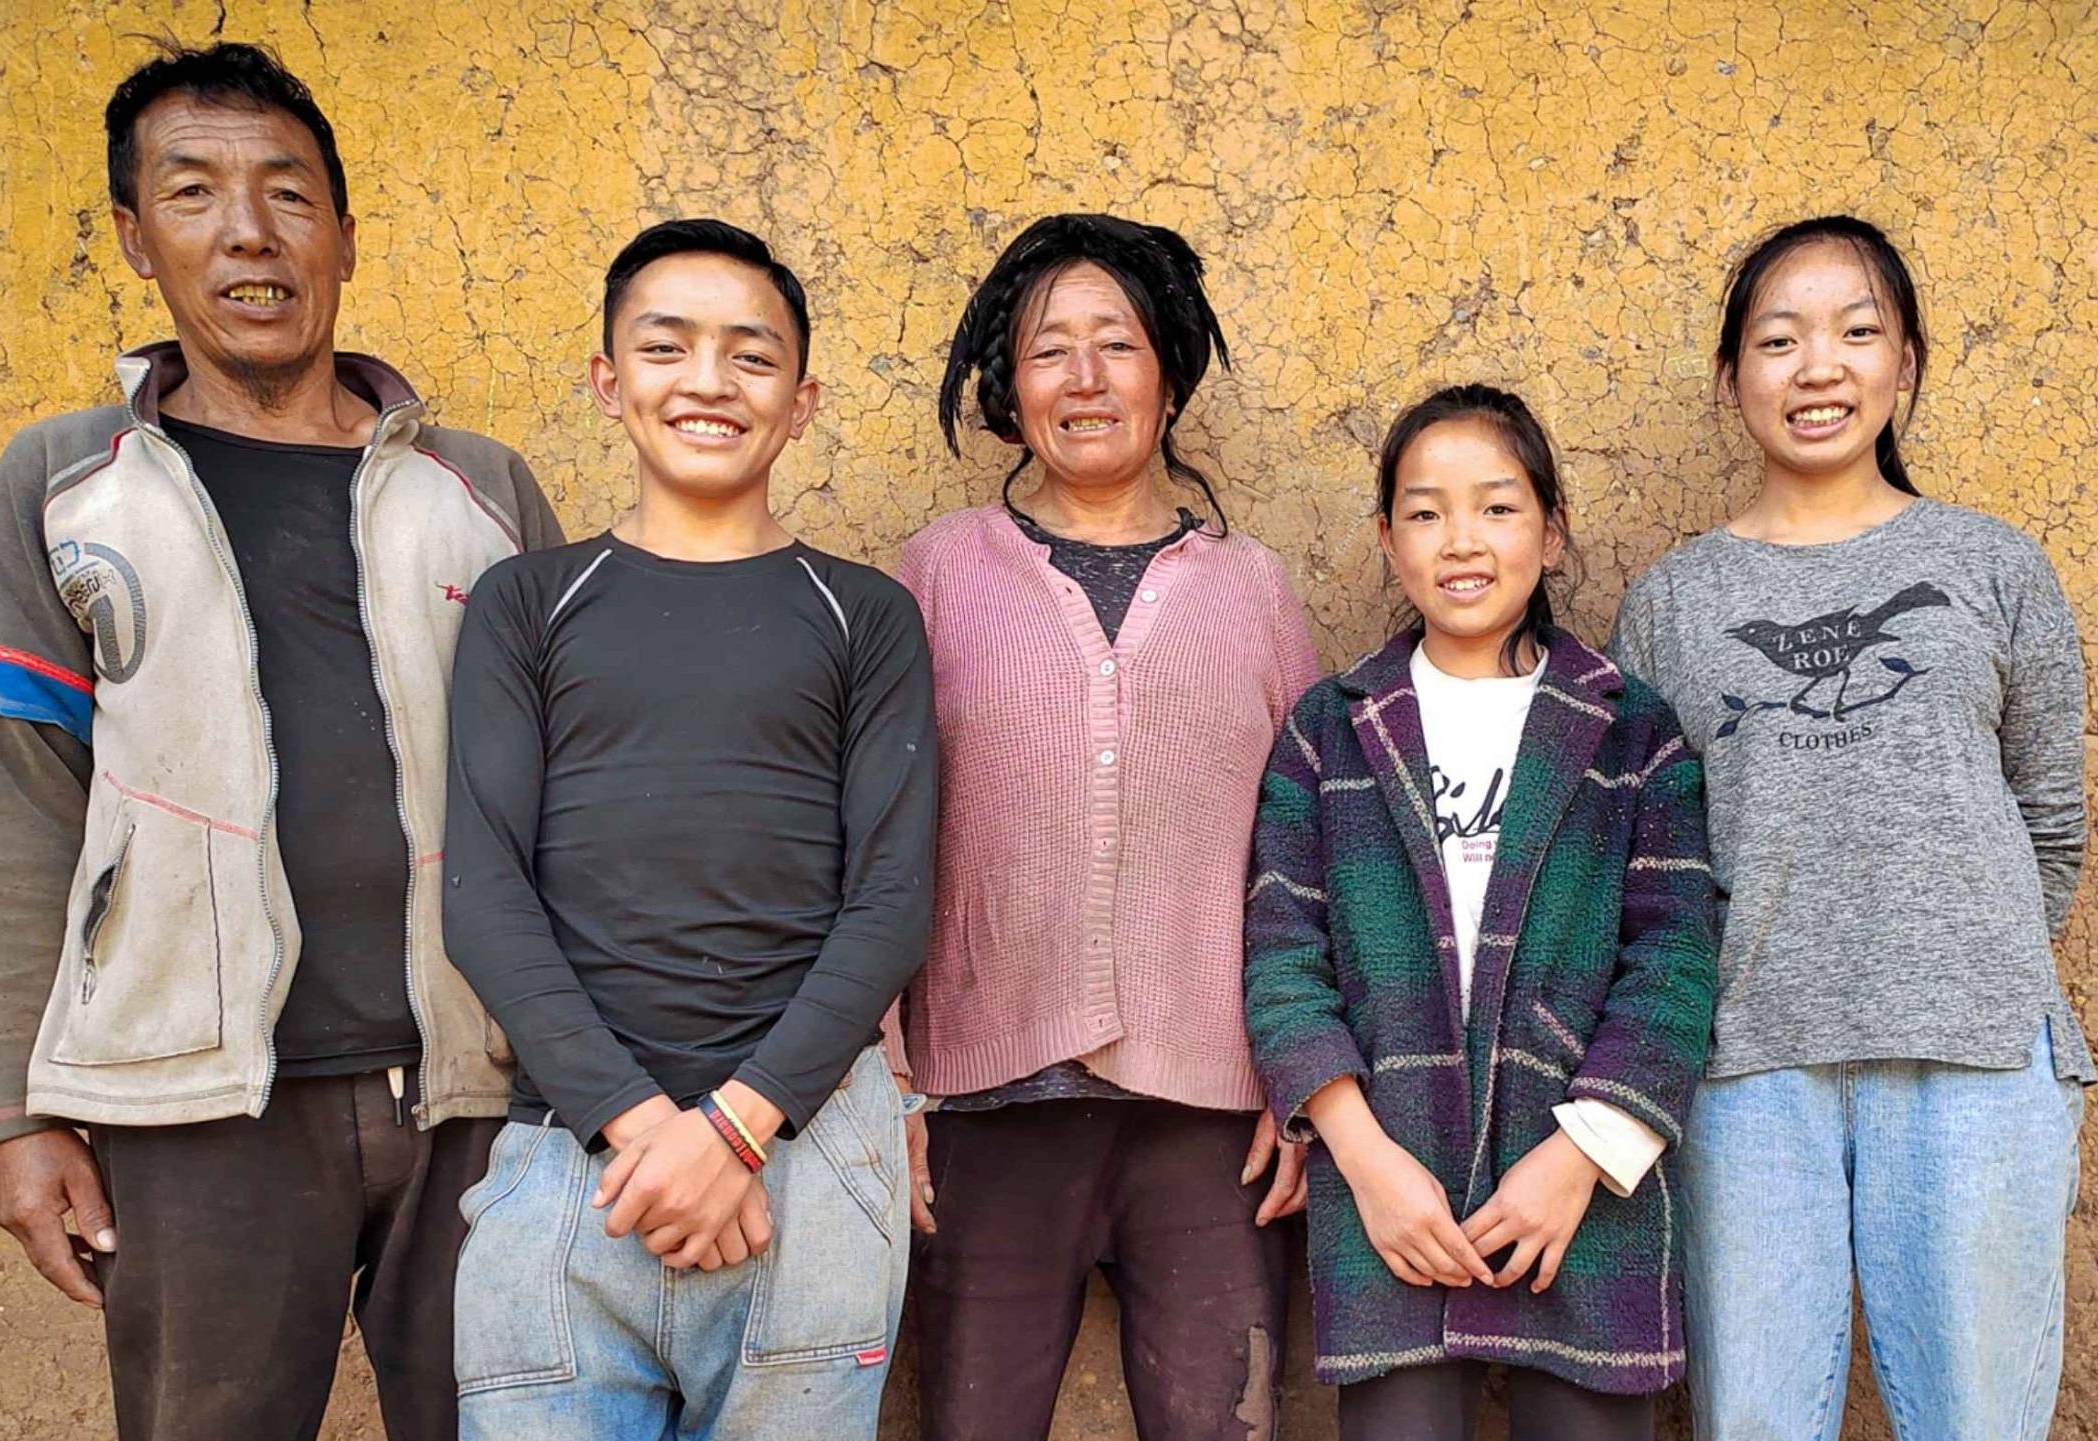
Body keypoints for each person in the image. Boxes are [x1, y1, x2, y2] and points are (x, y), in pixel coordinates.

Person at [0, 41, 561, 1441]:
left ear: (344, 232)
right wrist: (21, 1113)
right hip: (196, 1108)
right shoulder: (65, 486)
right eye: (195, 193)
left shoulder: (481, 488)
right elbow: (16, 802)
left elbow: (564, 787)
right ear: (133, 236)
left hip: (480, 1086)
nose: (249, 234)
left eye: (288, 193)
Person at [442, 218, 936, 1439]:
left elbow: (890, 902)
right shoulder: (529, 602)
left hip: (809, 1156)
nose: (708, 382)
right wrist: (644, 1126)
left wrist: (735, 1123)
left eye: (750, 355)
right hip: (570, 1152)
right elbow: (482, 892)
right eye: (667, 347)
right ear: (609, 381)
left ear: (803, 399)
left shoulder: (864, 616)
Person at [1611, 215, 2092, 1441]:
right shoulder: (1671, 602)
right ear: (1733, 380)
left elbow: (2048, 818)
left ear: (1906, 364)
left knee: (1978, 1419)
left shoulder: (1989, 564)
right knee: (1754, 1419)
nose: (1816, 367)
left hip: (1973, 1053)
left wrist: (1956, 957)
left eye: (1855, 332)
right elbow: (1645, 855)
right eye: (1778, 339)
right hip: (1745, 1067)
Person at [892, 212, 1322, 1440]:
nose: (1083, 381)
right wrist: (888, 1079)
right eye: (1046, 351)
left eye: (1116, 345)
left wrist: (1304, 1085)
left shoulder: (1256, 589)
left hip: (1213, 1124)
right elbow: (876, 838)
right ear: (1005, 387)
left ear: (1169, 371)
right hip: (983, 1113)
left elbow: (1305, 857)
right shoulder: (930, 575)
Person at [1244, 384, 1718, 1441]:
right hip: (1390, 1192)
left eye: (1497, 507)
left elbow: (1674, 958)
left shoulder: (1628, 729)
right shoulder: (1332, 728)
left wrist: (1579, 1155)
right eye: (1424, 511)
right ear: (1385, 539)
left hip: (1586, 1189)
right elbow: (1284, 956)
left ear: (1551, 532)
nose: (1461, 540)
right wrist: (1365, 1161)